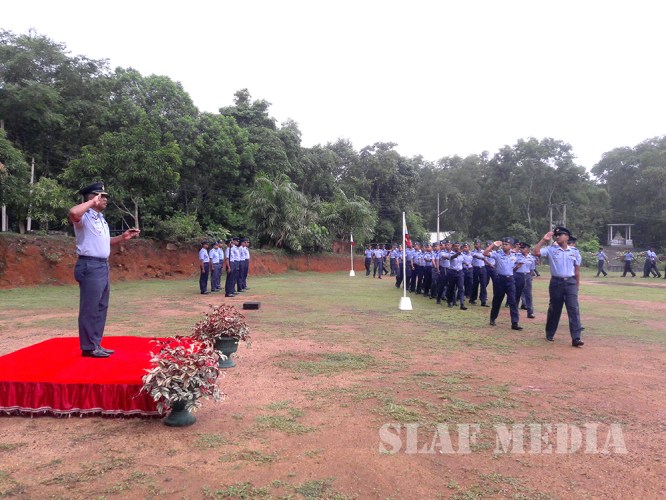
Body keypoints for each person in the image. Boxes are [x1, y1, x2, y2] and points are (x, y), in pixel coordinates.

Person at [69, 182, 140, 358]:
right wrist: (91, 202)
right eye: (102, 196)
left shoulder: (101, 218)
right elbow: (73, 213)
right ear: (92, 197)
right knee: (90, 307)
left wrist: (123, 237)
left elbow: (104, 242)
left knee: (101, 307)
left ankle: (95, 344)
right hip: (90, 265)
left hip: (102, 265)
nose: (106, 199)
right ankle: (88, 347)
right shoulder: (84, 217)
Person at [533, 227, 584, 347]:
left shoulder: (574, 252)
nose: (557, 237)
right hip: (556, 283)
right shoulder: (551, 250)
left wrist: (576, 285)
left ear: (567, 237)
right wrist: (543, 240)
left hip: (570, 282)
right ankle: (550, 333)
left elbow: (577, 270)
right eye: (556, 235)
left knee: (573, 309)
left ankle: (576, 338)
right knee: (554, 309)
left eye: (560, 235)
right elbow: (535, 252)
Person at [485, 237, 522, 330]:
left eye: (506, 244)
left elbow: (513, 269)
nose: (504, 246)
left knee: (513, 301)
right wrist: (493, 245)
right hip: (500, 280)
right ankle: (493, 318)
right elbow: (485, 253)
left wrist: (517, 267)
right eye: (503, 244)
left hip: (510, 280)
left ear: (511, 246)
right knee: (497, 300)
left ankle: (515, 323)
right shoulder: (498, 254)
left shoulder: (514, 255)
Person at [514, 242, 535, 319]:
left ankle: (530, 312)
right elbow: (512, 268)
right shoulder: (516, 256)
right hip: (518, 275)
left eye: (523, 248)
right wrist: (517, 266)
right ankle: (514, 312)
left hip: (527, 276)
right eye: (521, 248)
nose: (521, 249)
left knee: (528, 294)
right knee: (517, 294)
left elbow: (532, 269)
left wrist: (530, 277)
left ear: (528, 249)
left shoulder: (531, 258)